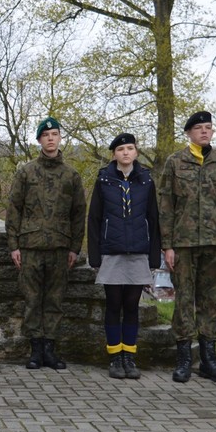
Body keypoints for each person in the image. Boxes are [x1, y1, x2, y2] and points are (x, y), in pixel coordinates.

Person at [159, 111, 216, 384]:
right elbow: (166, 207)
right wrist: (167, 245)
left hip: (214, 243)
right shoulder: (174, 163)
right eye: (199, 128)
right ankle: (183, 360)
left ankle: (209, 360)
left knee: (210, 301)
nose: (205, 132)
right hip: (183, 243)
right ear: (189, 133)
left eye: (208, 128)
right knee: (183, 300)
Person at [5, 117, 86, 370]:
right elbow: (14, 210)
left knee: (54, 301)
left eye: (55, 134)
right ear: (39, 140)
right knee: (31, 299)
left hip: (60, 248)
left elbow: (78, 214)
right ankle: (35, 349)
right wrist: (13, 245)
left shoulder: (71, 175)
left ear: (60, 138)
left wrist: (75, 248)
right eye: (46, 134)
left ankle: (50, 349)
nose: (51, 138)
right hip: (30, 246)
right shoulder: (26, 172)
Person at [87, 133, 161, 379]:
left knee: (132, 306)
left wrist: (154, 256)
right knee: (113, 305)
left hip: (138, 251)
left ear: (136, 152)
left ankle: (129, 356)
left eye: (130, 148)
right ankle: (114, 357)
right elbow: (94, 219)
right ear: (114, 154)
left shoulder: (146, 180)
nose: (126, 153)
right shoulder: (104, 179)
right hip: (112, 252)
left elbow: (154, 218)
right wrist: (95, 255)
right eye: (121, 149)